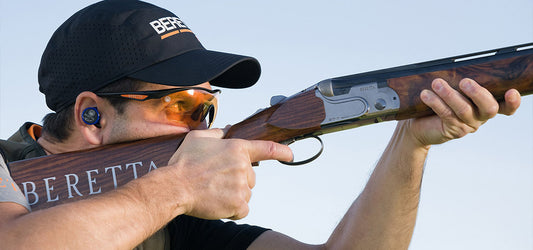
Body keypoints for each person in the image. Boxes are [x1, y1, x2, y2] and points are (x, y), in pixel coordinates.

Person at [0, 0, 521, 249]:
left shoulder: (170, 224)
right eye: (180, 107)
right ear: (91, 115)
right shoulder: (8, 171)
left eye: (208, 111)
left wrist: (410, 143)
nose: (200, 131)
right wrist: (176, 188)